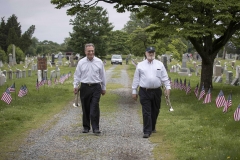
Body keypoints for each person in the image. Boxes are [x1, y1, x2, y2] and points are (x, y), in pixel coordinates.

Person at [132, 46, 171, 138]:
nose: (151, 54)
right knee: (146, 111)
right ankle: (147, 131)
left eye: (152, 52)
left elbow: (165, 77)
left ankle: (152, 126)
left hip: (157, 91)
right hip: (144, 91)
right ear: (145, 53)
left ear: (155, 53)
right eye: (149, 52)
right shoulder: (140, 65)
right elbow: (136, 79)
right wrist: (134, 90)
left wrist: (168, 87)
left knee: (155, 110)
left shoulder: (160, 64)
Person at [73, 43, 106, 136]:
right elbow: (77, 75)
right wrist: (75, 85)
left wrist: (104, 87)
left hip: (96, 87)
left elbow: (103, 75)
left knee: (94, 107)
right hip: (84, 87)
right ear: (85, 52)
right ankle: (86, 127)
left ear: (94, 51)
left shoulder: (99, 62)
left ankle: (96, 128)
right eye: (89, 51)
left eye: (92, 51)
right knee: (85, 107)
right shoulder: (81, 62)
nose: (91, 52)